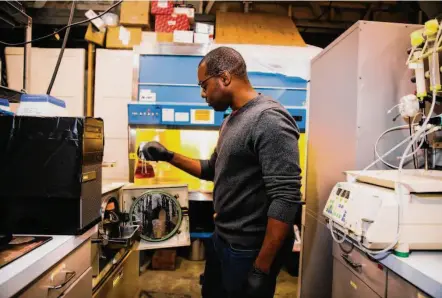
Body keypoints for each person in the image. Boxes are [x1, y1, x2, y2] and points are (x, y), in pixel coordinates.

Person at [138, 46, 302, 298]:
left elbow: (286, 199)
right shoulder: (231, 120)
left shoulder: (268, 119)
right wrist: (167, 155)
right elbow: (211, 169)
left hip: (248, 250)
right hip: (223, 239)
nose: (202, 94)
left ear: (225, 78)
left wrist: (261, 268)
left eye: (203, 85)